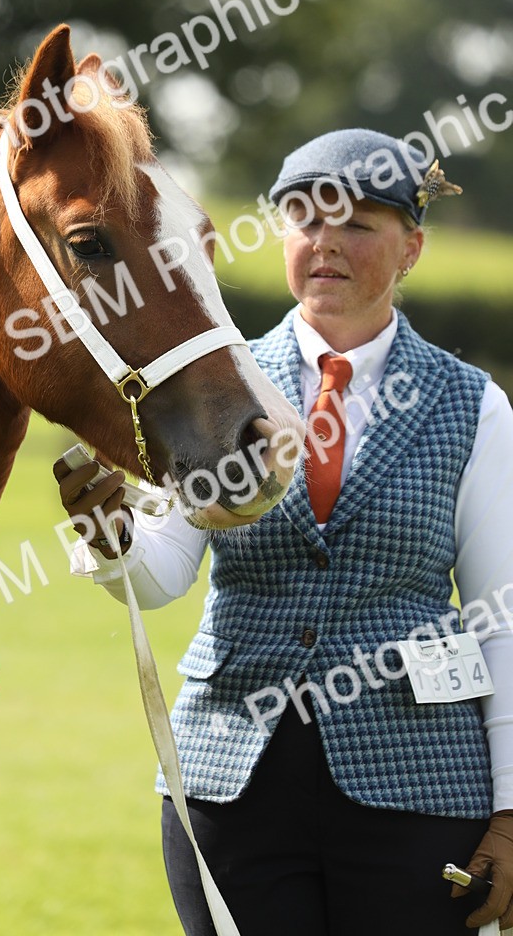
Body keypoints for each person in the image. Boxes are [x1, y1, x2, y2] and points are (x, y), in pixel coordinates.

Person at [54, 128, 513, 936]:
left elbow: (499, 621)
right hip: (230, 785)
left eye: (359, 225)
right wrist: (110, 535)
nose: (326, 244)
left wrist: (511, 815)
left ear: (411, 248)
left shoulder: (474, 405)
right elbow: (161, 577)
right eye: (305, 219)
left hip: (419, 788)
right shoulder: (214, 390)